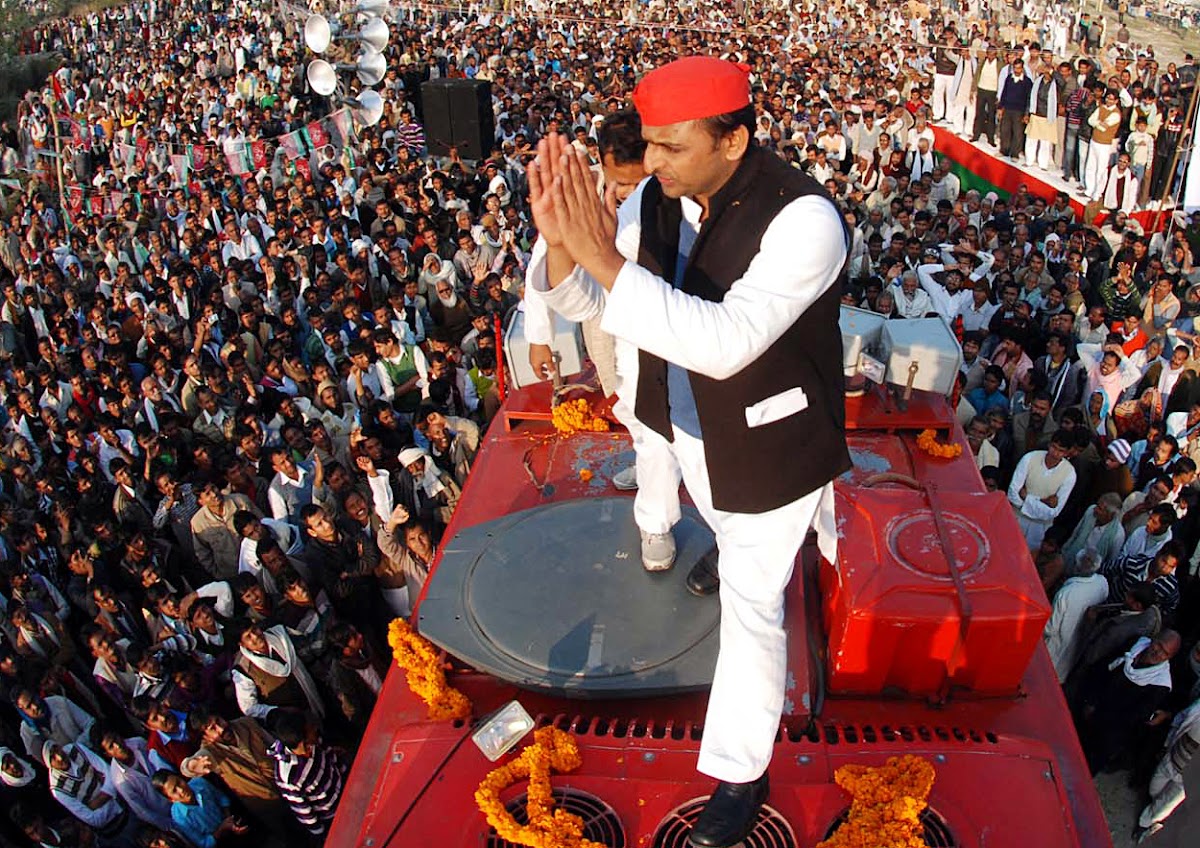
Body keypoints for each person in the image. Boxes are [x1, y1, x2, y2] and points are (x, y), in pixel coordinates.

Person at [529, 57, 849, 846]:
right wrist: (562, 245)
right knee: (719, 531)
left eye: (671, 146)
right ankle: (721, 545)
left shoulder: (804, 220)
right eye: (649, 144)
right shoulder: (656, 196)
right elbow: (586, 299)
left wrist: (602, 256)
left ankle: (741, 771)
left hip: (767, 449)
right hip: (681, 428)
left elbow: (724, 344)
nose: (653, 161)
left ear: (733, 140)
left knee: (753, 607)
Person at [1073, 631, 1182, 773]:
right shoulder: (1135, 643)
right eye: (1159, 645)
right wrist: (1091, 701)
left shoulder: (1161, 684)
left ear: (1169, 658)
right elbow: (1103, 667)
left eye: (1165, 653)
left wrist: (1098, 718)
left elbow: (1135, 716)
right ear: (1153, 639)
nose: (1158, 653)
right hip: (1089, 709)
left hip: (1107, 733)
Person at [268, 711, 347, 841]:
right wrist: (322, 834)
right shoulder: (288, 779)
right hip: (335, 813)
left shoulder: (314, 741)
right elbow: (303, 811)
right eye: (310, 729)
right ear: (302, 742)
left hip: (346, 787)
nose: (315, 729)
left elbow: (329, 755)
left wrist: (346, 773)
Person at [1044, 552, 1110, 682]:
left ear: (1076, 566)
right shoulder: (1102, 583)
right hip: (1076, 649)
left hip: (1053, 650)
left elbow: (1050, 628)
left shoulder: (1066, 593)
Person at [1008, 430, 1077, 550]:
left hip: (1040, 528)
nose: (1055, 453)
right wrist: (1042, 502)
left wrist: (1027, 498)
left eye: (1061, 451)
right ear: (1049, 444)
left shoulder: (1070, 473)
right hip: (1016, 518)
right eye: (1054, 447)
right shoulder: (1030, 458)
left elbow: (1054, 512)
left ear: (1067, 453)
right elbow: (1012, 493)